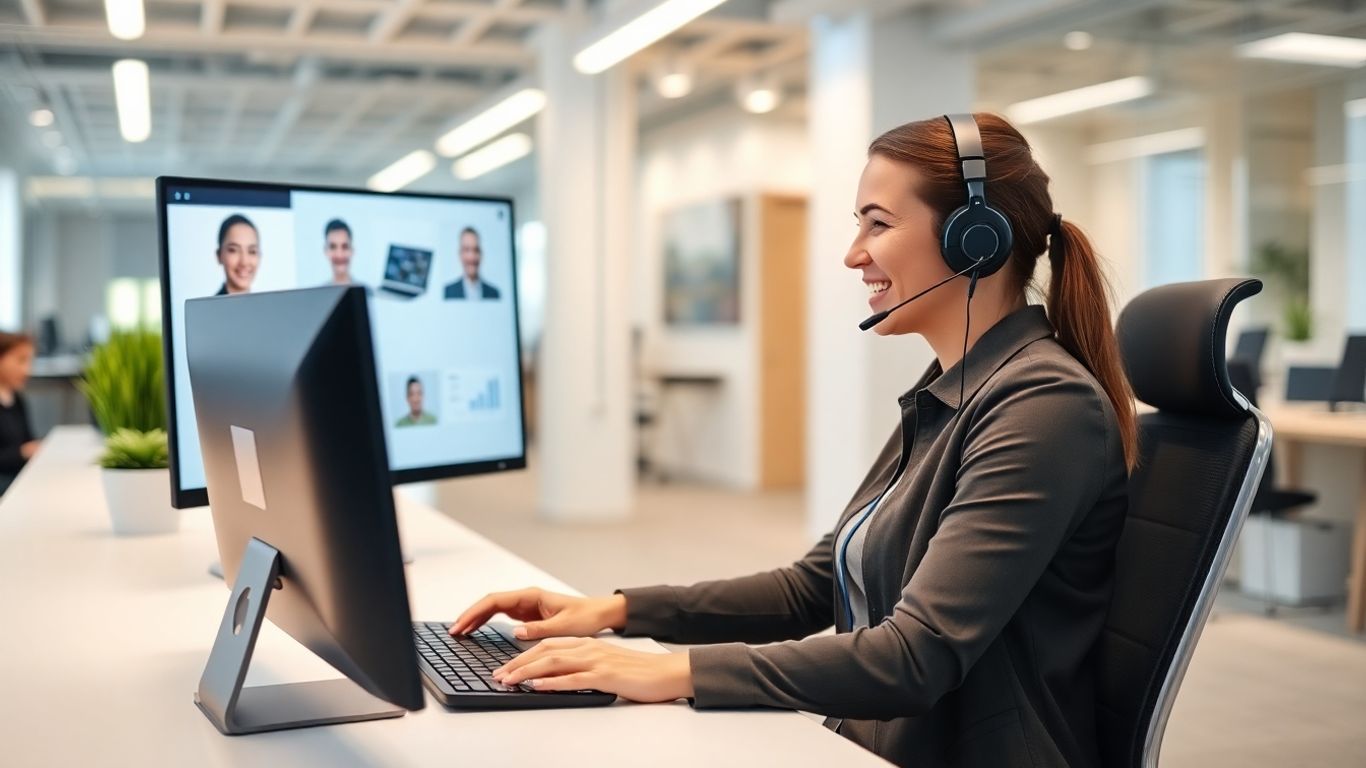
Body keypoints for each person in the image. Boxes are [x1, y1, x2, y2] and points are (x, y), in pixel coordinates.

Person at [449, 113, 1138, 768]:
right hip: (875, 741)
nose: (852, 254)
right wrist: (615, 612)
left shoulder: (1044, 407)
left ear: (973, 239)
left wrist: (674, 671)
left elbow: (915, 657)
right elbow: (813, 587)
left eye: (878, 224)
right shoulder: (955, 391)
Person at [0, 332, 39, 495]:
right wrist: (22, 452)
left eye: (29, 361)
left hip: (18, 477)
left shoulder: (17, 398)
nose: (27, 370)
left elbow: (29, 439)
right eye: (20, 360)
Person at [443, 227, 500, 300]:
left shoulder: (494, 294)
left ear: (481, 254)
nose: (471, 257)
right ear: (460, 254)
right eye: (467, 250)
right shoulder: (448, 292)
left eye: (476, 250)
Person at [214, 213, 260, 296]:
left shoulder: (267, 307)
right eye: (233, 250)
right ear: (219, 255)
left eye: (252, 251)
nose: (244, 262)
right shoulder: (208, 308)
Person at [323, 218, 358, 286]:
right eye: (333, 247)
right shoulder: (319, 294)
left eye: (345, 247)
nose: (339, 255)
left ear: (352, 250)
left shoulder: (368, 294)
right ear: (326, 251)